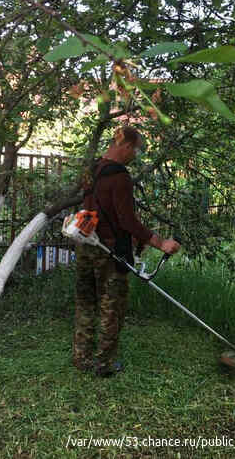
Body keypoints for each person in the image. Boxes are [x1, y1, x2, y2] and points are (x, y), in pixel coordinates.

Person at [73, 125, 181, 377]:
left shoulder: (92, 168)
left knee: (85, 303)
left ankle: (82, 358)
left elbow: (94, 207)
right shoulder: (119, 176)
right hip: (109, 252)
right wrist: (159, 242)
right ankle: (104, 364)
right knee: (111, 309)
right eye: (136, 150)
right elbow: (127, 221)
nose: (135, 156)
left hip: (85, 244)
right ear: (127, 146)